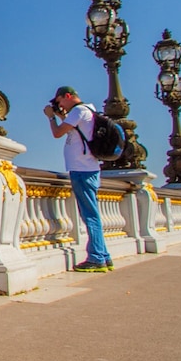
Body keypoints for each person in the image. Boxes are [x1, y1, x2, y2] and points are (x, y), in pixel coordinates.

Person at [43, 85, 113, 273]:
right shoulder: (87, 111)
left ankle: (96, 257)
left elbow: (58, 133)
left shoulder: (79, 111)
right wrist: (60, 115)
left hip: (82, 170)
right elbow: (72, 128)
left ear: (67, 96)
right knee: (92, 213)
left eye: (59, 101)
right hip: (89, 168)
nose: (59, 105)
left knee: (90, 215)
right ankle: (104, 256)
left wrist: (51, 117)